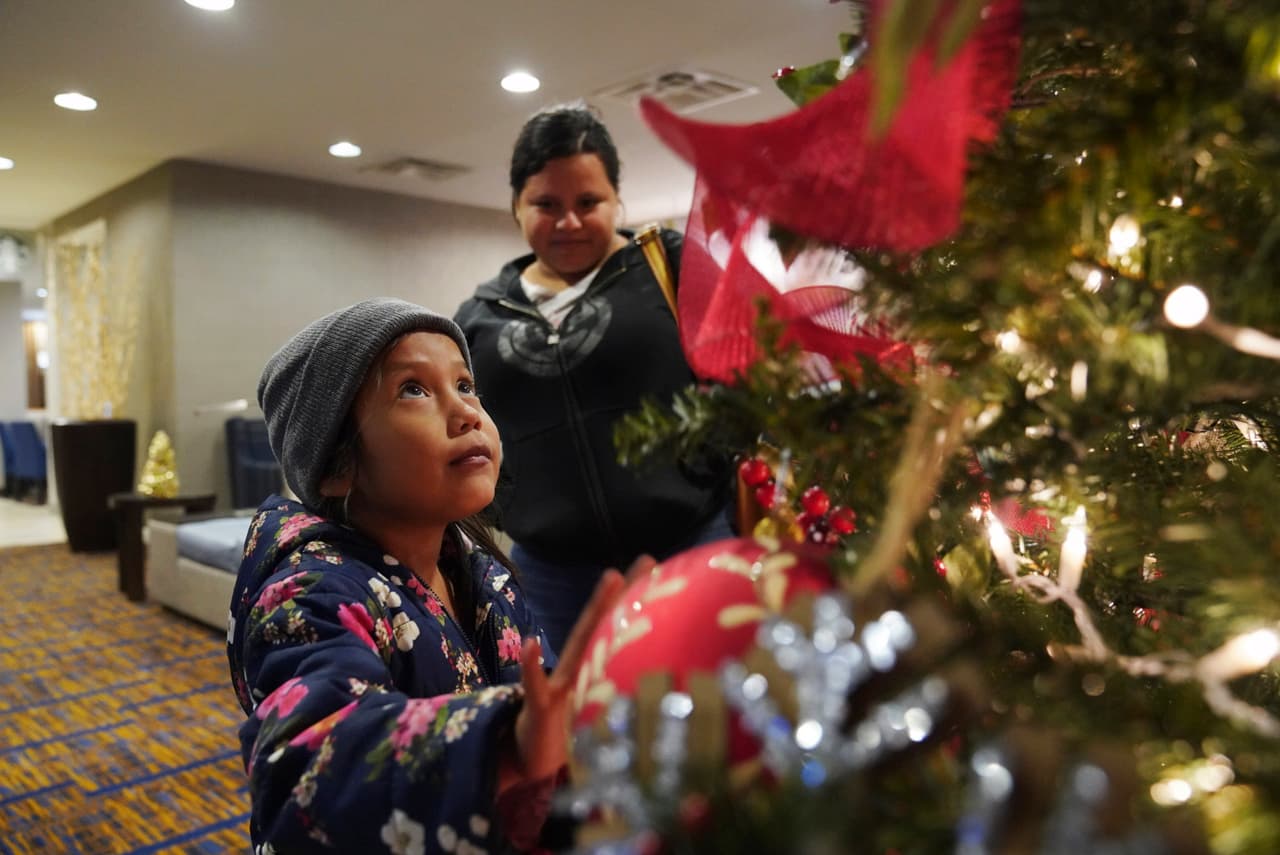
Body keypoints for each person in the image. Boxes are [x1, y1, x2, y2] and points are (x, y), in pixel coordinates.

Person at [227, 298, 642, 853]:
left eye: (466, 385)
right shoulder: (305, 597)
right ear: (337, 466)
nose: (466, 412)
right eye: (413, 390)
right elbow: (310, 771)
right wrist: (502, 741)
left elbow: (542, 719)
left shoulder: (485, 575)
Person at [454, 104, 733, 654]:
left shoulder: (670, 267)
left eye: (589, 202)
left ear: (617, 200)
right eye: (546, 205)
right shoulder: (479, 317)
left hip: (692, 541)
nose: (569, 222)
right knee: (578, 720)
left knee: (713, 699)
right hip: (553, 574)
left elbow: (746, 368)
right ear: (516, 206)